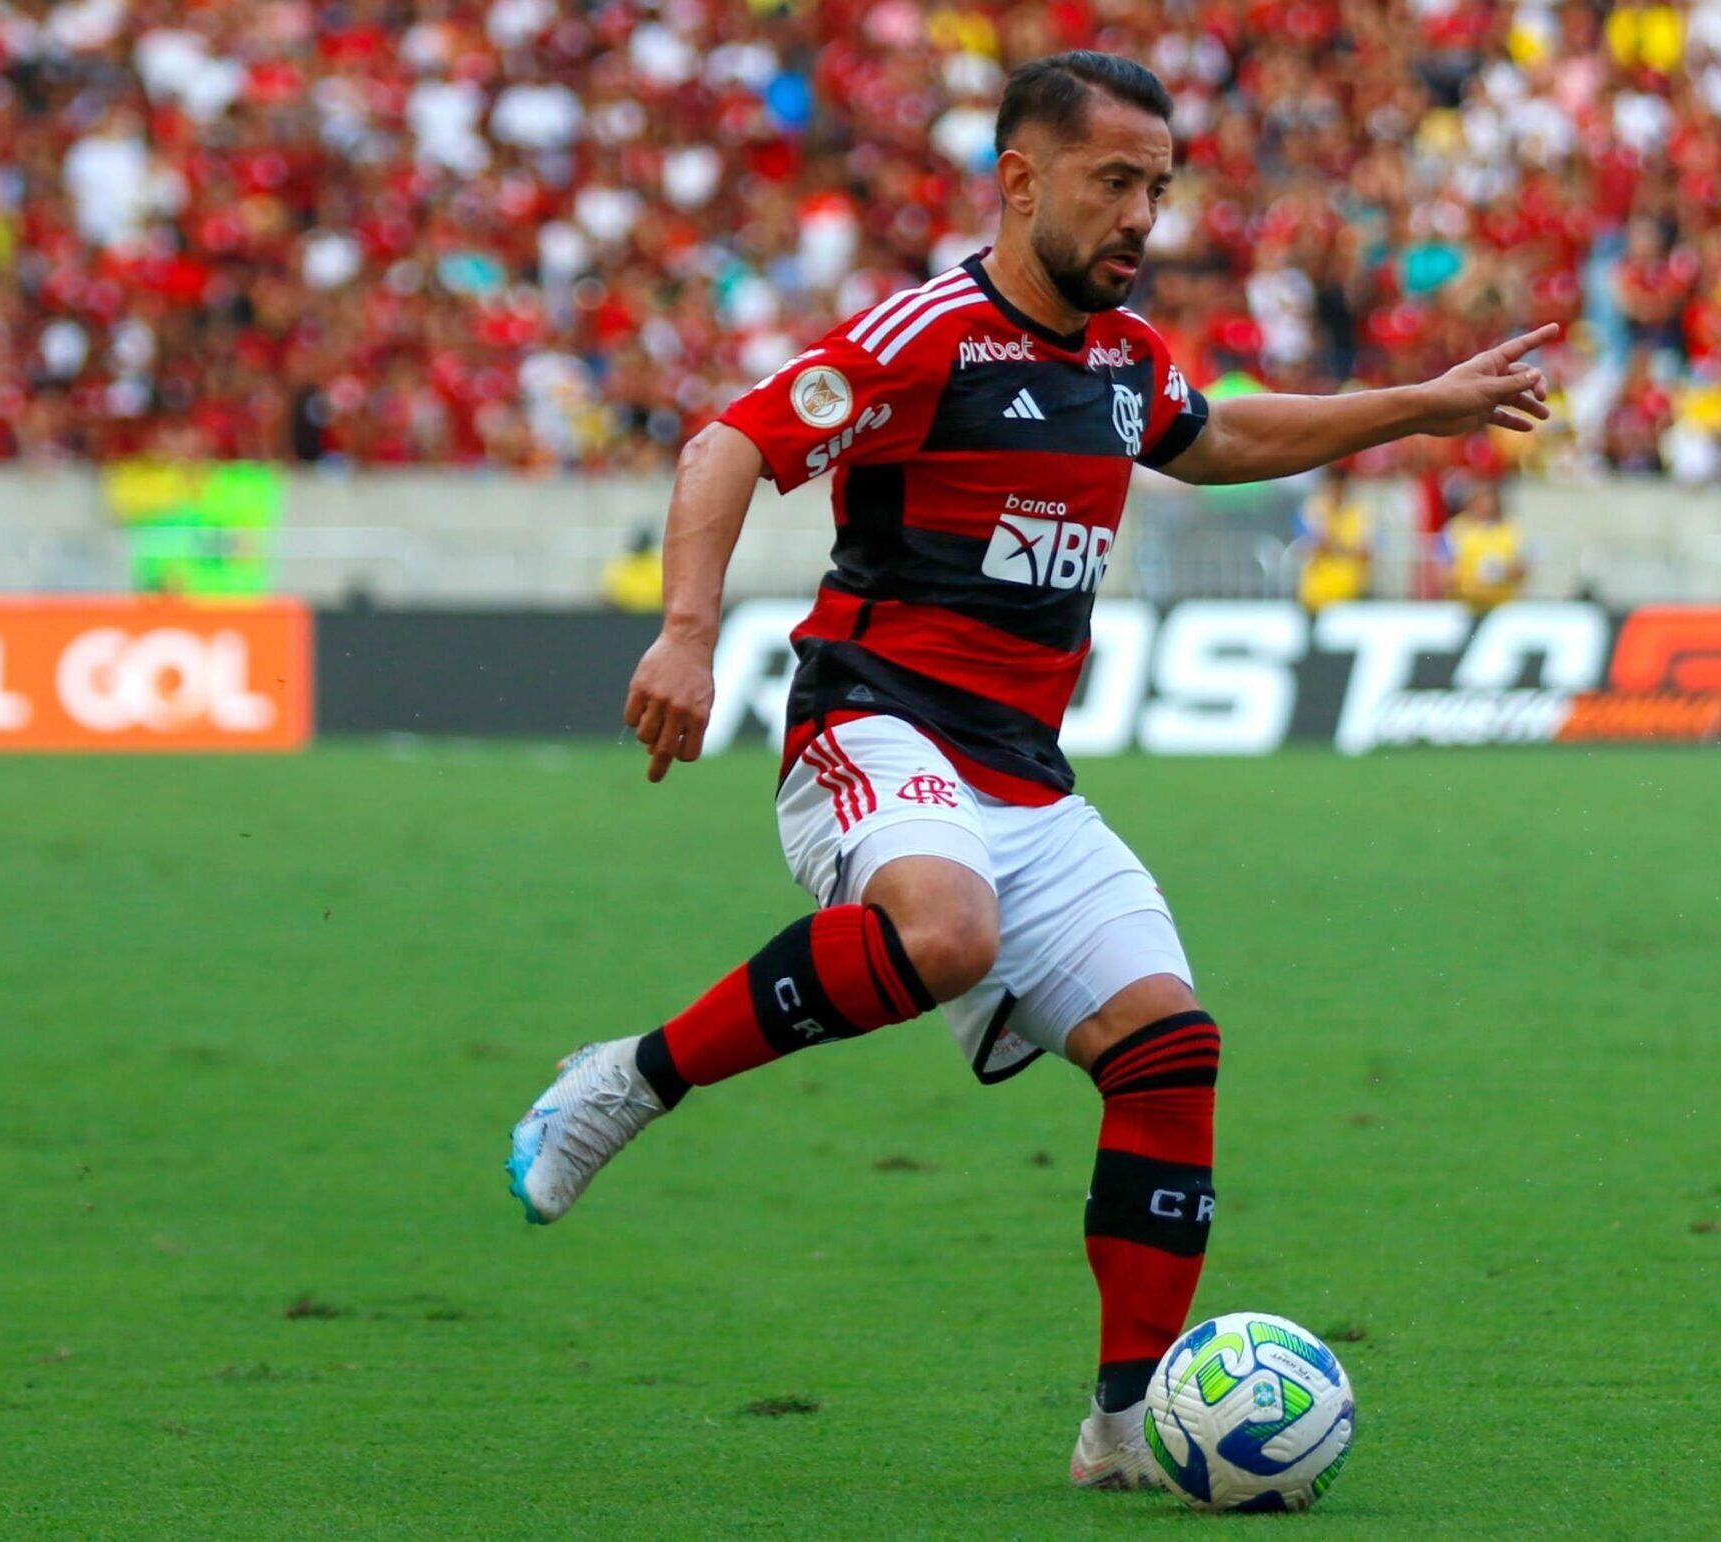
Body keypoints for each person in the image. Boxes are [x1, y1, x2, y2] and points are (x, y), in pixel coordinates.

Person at [503, 51, 1553, 1491]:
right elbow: (729, 443)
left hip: (1023, 772)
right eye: (1114, 183)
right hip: (871, 724)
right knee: (946, 929)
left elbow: (1222, 433)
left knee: (1170, 1049)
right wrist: (689, 632)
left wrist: (1414, 405)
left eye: (1158, 190)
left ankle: (1123, 1432)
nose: (1141, 217)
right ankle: (628, 1079)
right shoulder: (931, 335)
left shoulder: (1121, 360)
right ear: (1019, 181)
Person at [1440, 479, 1530, 612]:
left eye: (1490, 500)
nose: (1486, 505)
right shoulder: (1455, 529)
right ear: (1471, 502)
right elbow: (1443, 573)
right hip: (1463, 608)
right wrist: (1474, 580)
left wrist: (1502, 572)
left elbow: (1522, 569)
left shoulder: (1509, 530)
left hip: (1502, 608)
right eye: (1482, 500)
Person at [1294, 463, 1370, 611]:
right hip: (1316, 595)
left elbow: (1366, 553)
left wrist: (1334, 547)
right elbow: (1311, 548)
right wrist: (1344, 548)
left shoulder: (1360, 513)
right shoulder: (1312, 509)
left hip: (1351, 592)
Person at [599, 526, 665, 611]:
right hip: (625, 613)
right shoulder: (623, 564)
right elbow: (610, 594)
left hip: (655, 614)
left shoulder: (659, 563)